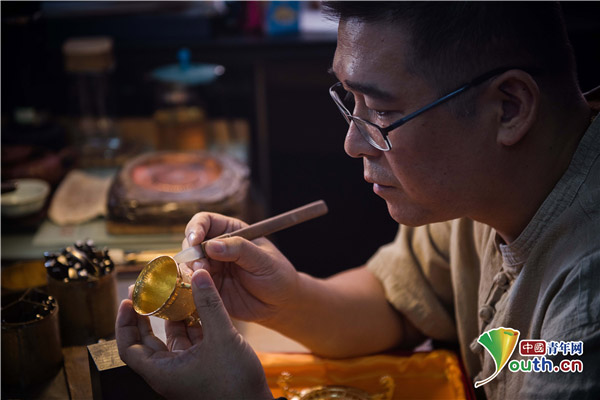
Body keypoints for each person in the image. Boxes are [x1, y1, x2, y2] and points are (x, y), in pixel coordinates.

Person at [116, 2, 600, 399]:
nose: (353, 143)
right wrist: (285, 298)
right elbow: (396, 304)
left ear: (509, 107)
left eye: (382, 111)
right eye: (351, 101)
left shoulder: (584, 307)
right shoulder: (484, 186)